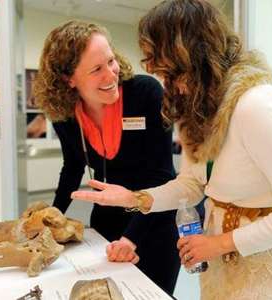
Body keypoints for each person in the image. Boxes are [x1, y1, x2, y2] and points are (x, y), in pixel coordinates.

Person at [71, 1, 272, 299]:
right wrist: (135, 198)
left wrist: (219, 244)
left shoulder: (257, 106)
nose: (170, 87)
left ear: (194, 58)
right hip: (221, 258)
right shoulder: (200, 107)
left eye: (171, 74)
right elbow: (192, 185)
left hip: (265, 267)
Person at [32, 20, 180, 295]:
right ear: (69, 78)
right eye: (96, 69)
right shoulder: (65, 114)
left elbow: (162, 175)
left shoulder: (145, 94)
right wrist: (51, 221)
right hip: (106, 225)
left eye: (110, 61)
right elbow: (72, 167)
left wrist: (131, 239)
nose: (111, 75)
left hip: (154, 224)